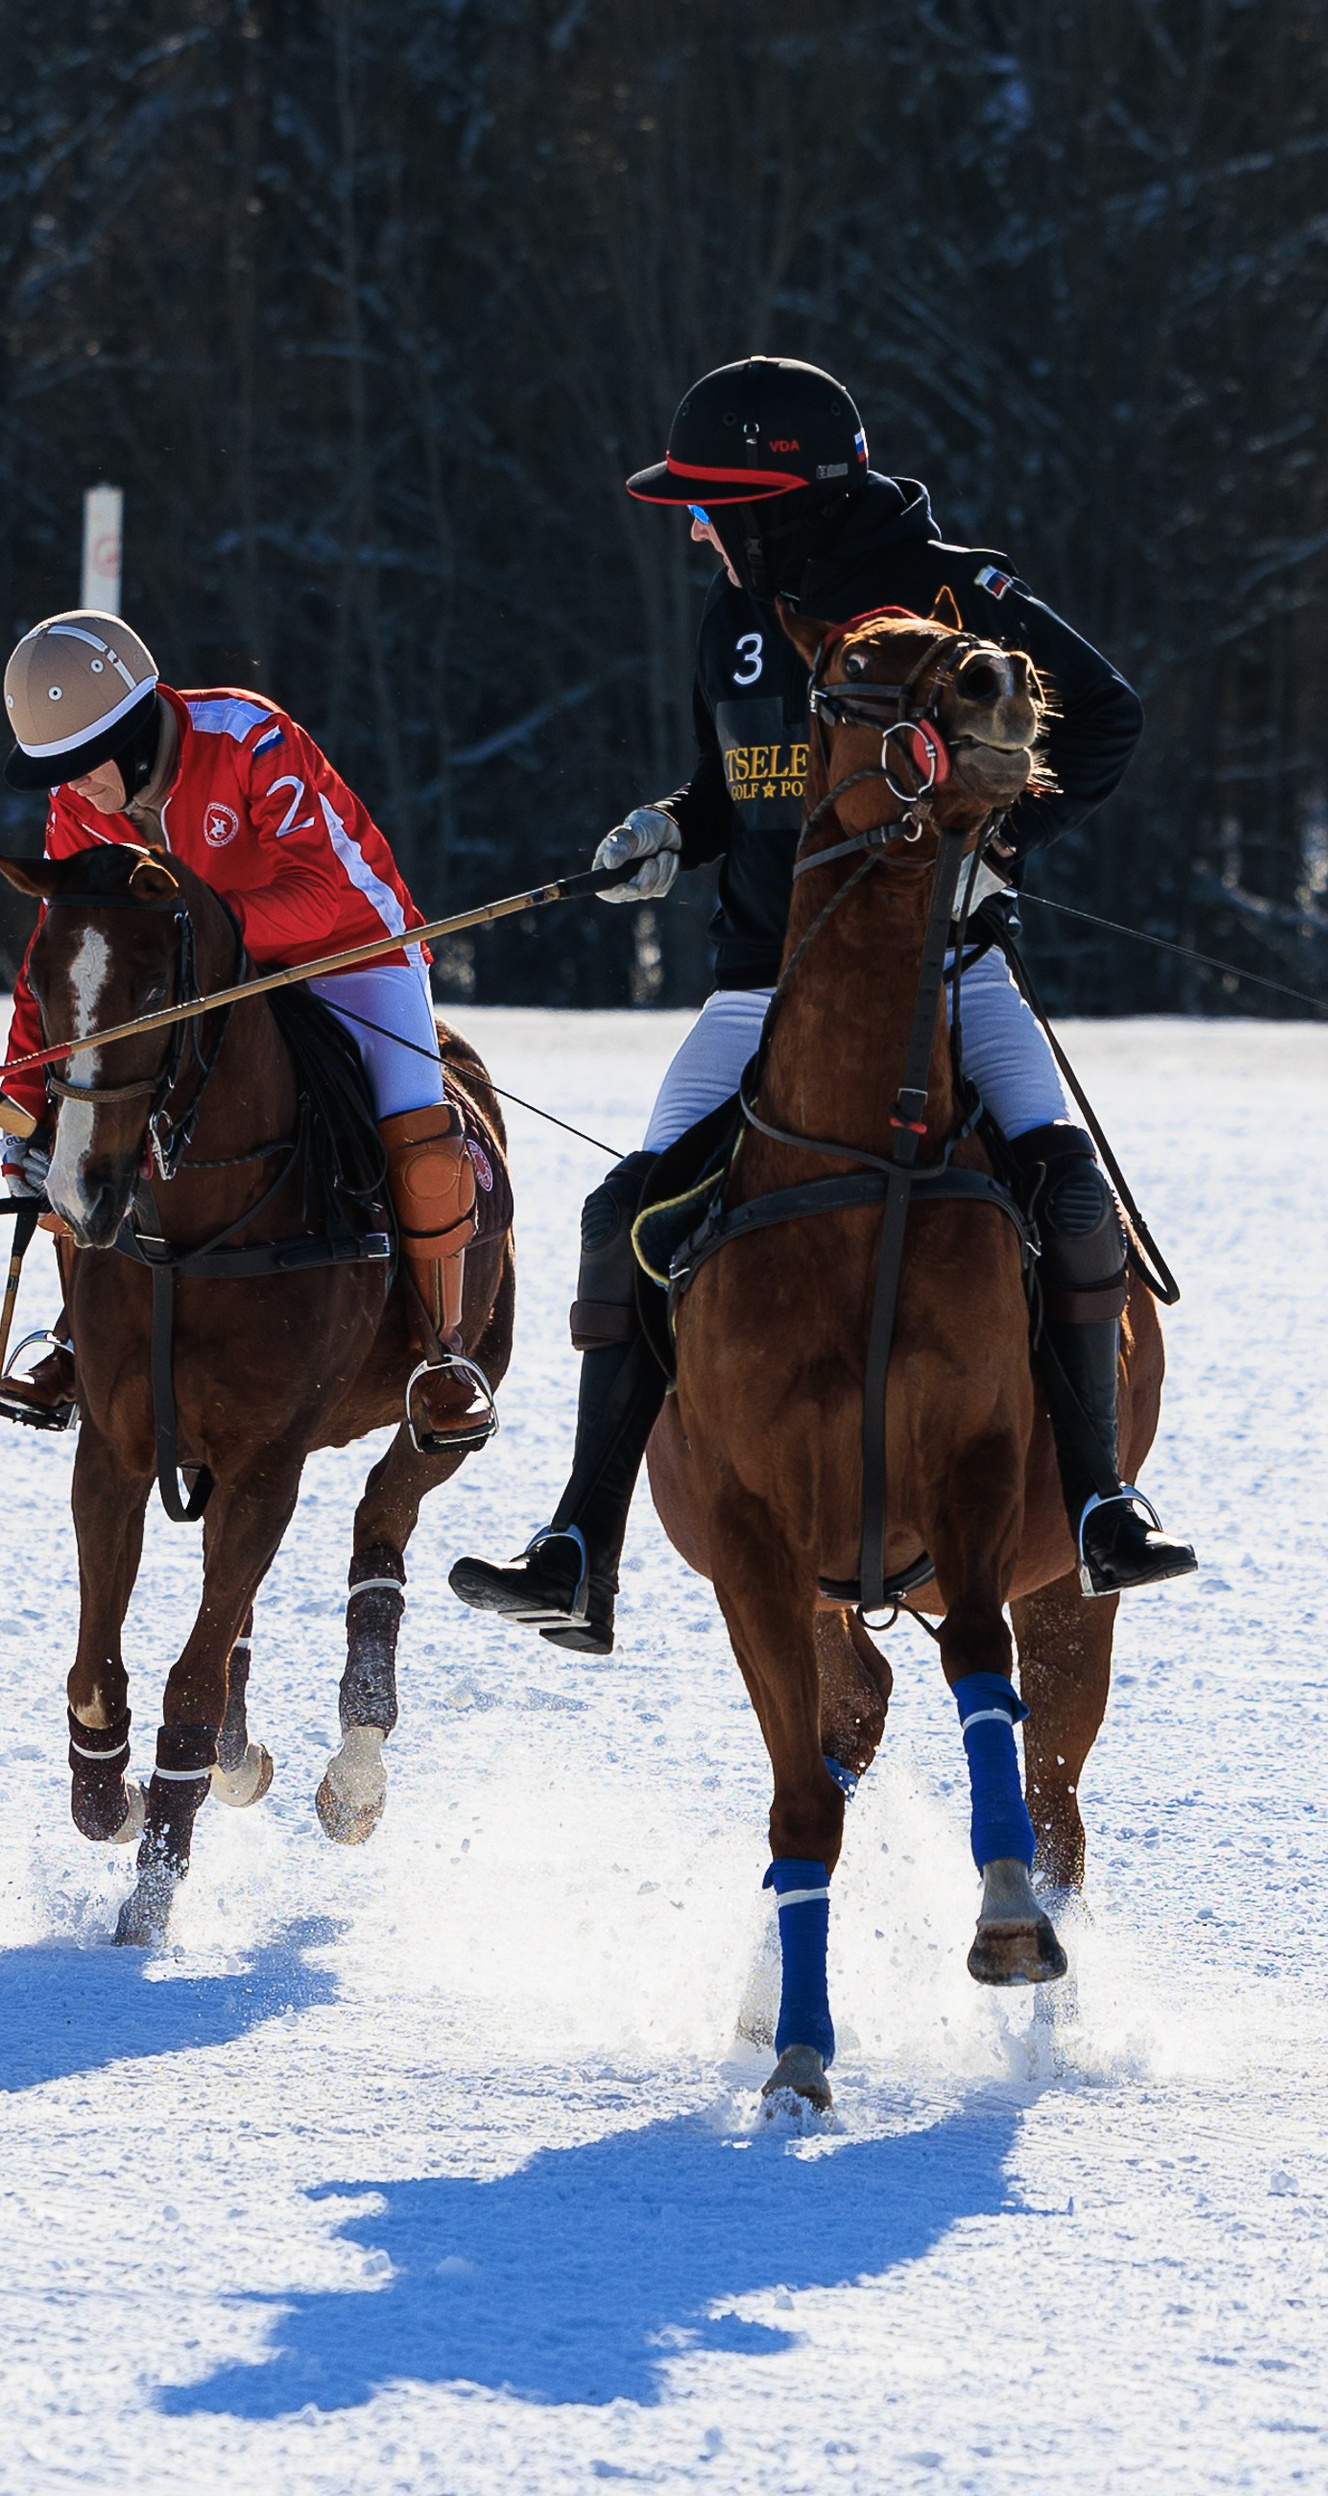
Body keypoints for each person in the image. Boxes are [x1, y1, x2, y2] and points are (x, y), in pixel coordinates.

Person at [450, 357, 1195, 1656]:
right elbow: (730, 787)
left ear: (777, 502)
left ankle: (1097, 1508)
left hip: (951, 973)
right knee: (624, 1209)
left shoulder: (957, 591)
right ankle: (581, 1540)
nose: (693, 529)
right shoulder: (736, 616)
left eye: (707, 507)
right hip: (762, 986)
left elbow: (1110, 721)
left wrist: (998, 839)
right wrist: (667, 836)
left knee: (1071, 1195)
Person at [0, 609, 490, 1450]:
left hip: (352, 950)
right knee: (93, 1125)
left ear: (139, 732)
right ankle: (78, 1337)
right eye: (58, 771)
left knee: (420, 1137)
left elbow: (323, 893)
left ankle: (439, 1354)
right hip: (202, 973)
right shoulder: (77, 807)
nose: (74, 786)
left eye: (82, 764)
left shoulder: (249, 737)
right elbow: (62, 959)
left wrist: (190, 939)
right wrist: (27, 1104)